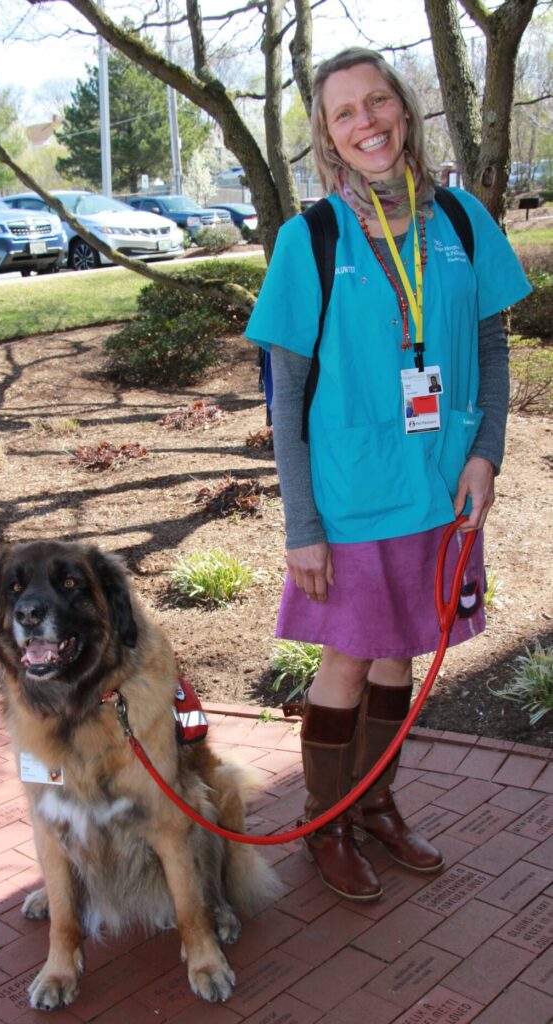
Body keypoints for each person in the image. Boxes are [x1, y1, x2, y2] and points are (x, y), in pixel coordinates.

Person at [245, 48, 531, 902]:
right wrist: (301, 525)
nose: (365, 121)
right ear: (328, 137)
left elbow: (487, 349)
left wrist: (487, 455)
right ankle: (326, 823)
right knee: (346, 658)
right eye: (344, 113)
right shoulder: (312, 239)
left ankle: (376, 806)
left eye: (377, 102)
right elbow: (286, 395)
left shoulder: (462, 222)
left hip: (441, 488)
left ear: (401, 111)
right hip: (349, 496)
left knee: (402, 651)